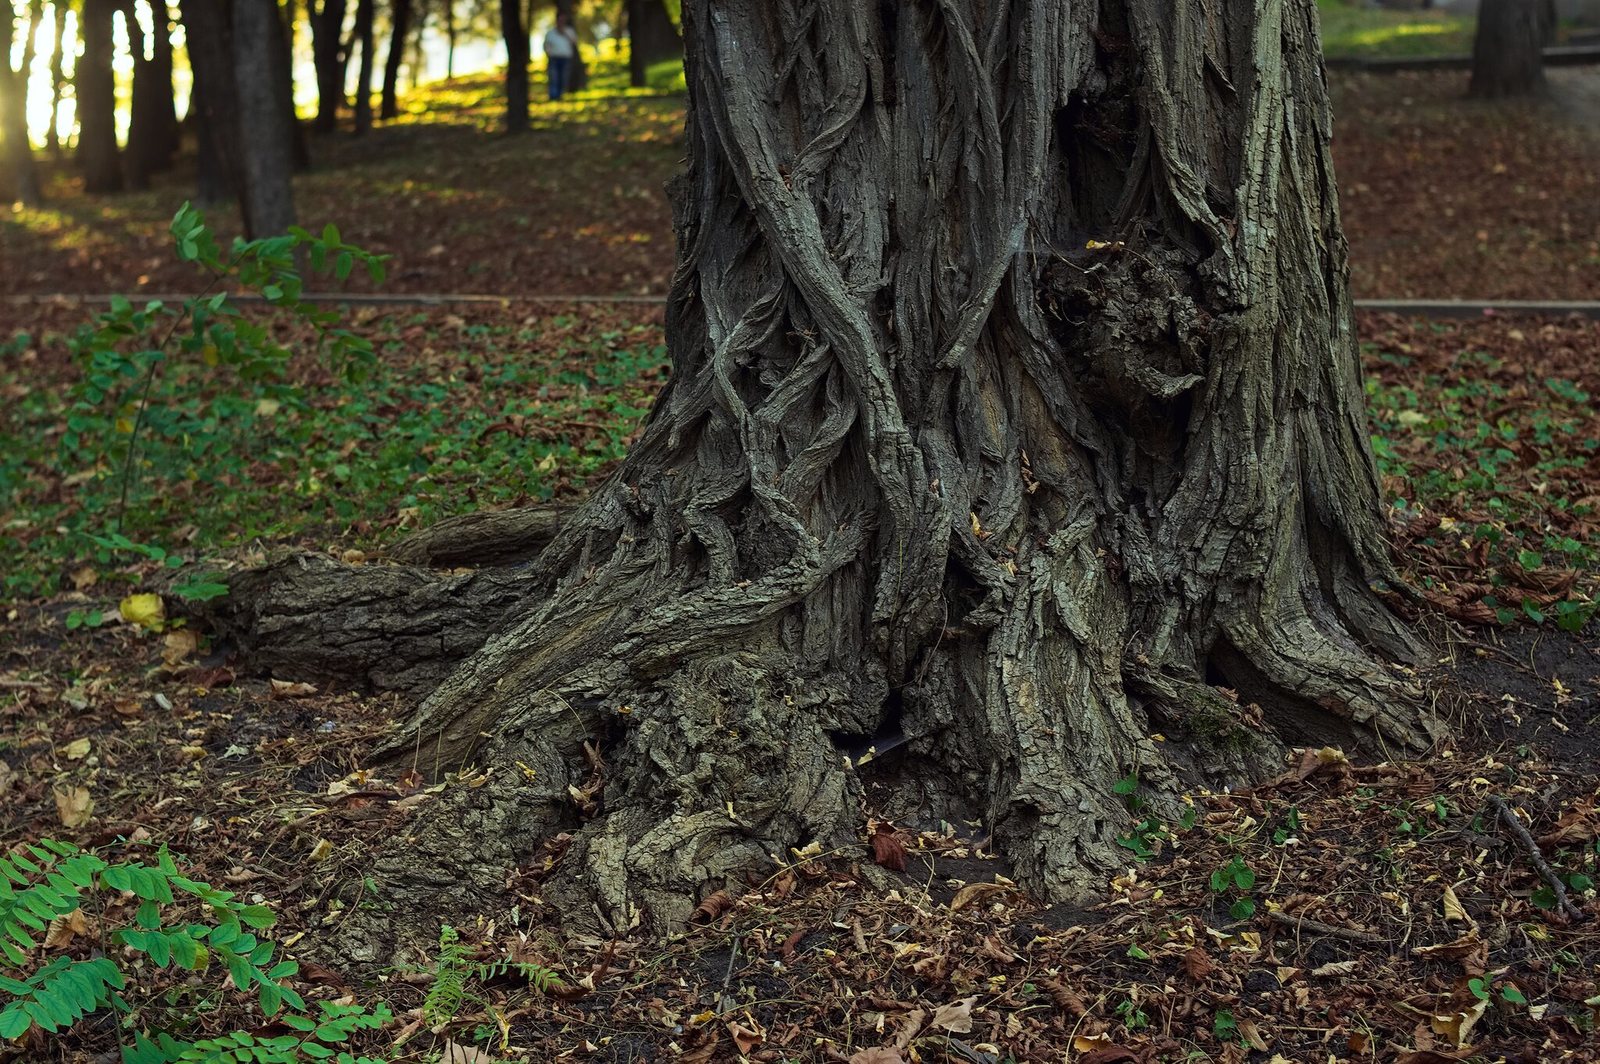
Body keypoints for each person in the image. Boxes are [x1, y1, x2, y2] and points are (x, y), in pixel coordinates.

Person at [543, 14, 579, 101]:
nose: (561, 22)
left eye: (563, 21)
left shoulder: (569, 31)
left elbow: (575, 42)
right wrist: (548, 53)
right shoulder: (550, 33)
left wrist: (565, 34)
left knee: (563, 77)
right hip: (554, 58)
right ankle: (553, 96)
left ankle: (560, 95)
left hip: (566, 58)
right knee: (554, 77)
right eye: (559, 20)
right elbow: (546, 45)